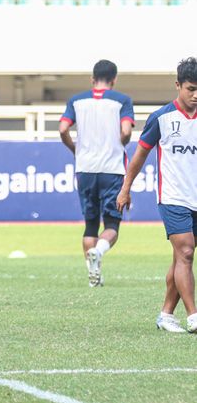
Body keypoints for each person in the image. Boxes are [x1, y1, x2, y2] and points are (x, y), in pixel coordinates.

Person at [118, 57, 197, 333]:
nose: (196, 94)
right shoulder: (162, 118)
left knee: (181, 258)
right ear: (178, 86)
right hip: (173, 196)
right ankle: (193, 316)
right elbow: (139, 155)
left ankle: (165, 315)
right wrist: (126, 188)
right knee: (186, 250)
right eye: (191, 88)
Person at [59, 59, 134, 287]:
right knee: (112, 225)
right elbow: (126, 130)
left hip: (85, 168)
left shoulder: (77, 100)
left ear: (93, 79)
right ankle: (99, 252)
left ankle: (94, 278)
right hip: (111, 169)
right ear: (114, 80)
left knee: (90, 224)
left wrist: (75, 149)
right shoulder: (122, 100)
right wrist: (118, 145)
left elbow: (63, 128)